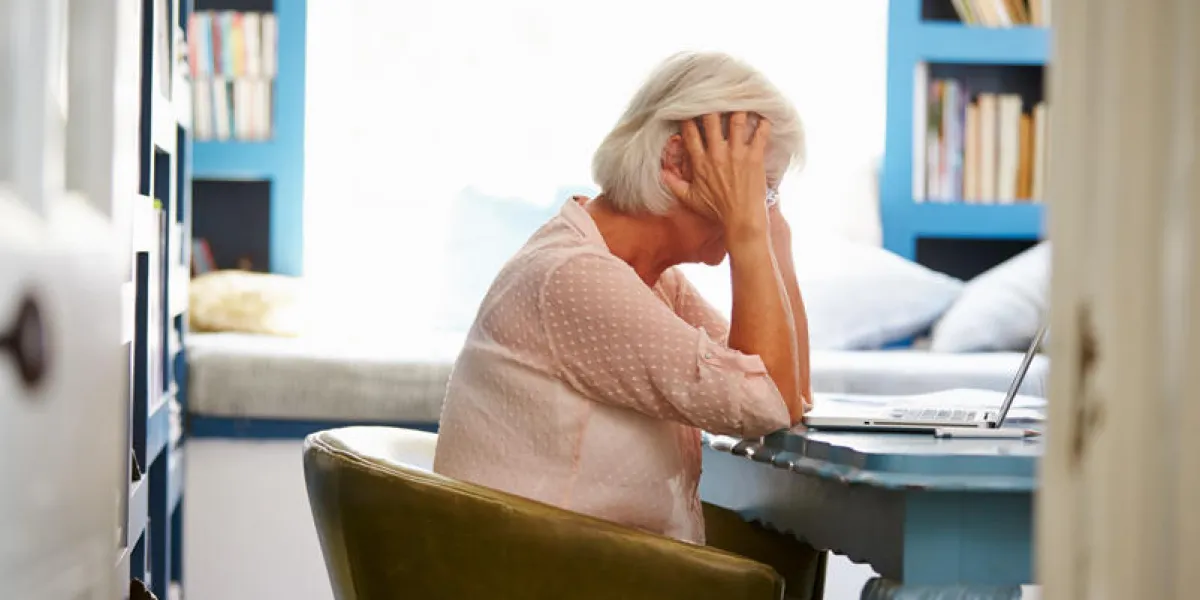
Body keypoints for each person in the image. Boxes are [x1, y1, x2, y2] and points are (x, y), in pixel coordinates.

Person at [434, 51, 818, 590]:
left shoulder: (650, 280)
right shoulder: (573, 276)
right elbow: (764, 402)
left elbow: (788, 393)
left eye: (768, 192)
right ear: (677, 162)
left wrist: (777, 239)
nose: (760, 207)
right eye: (757, 186)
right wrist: (752, 234)